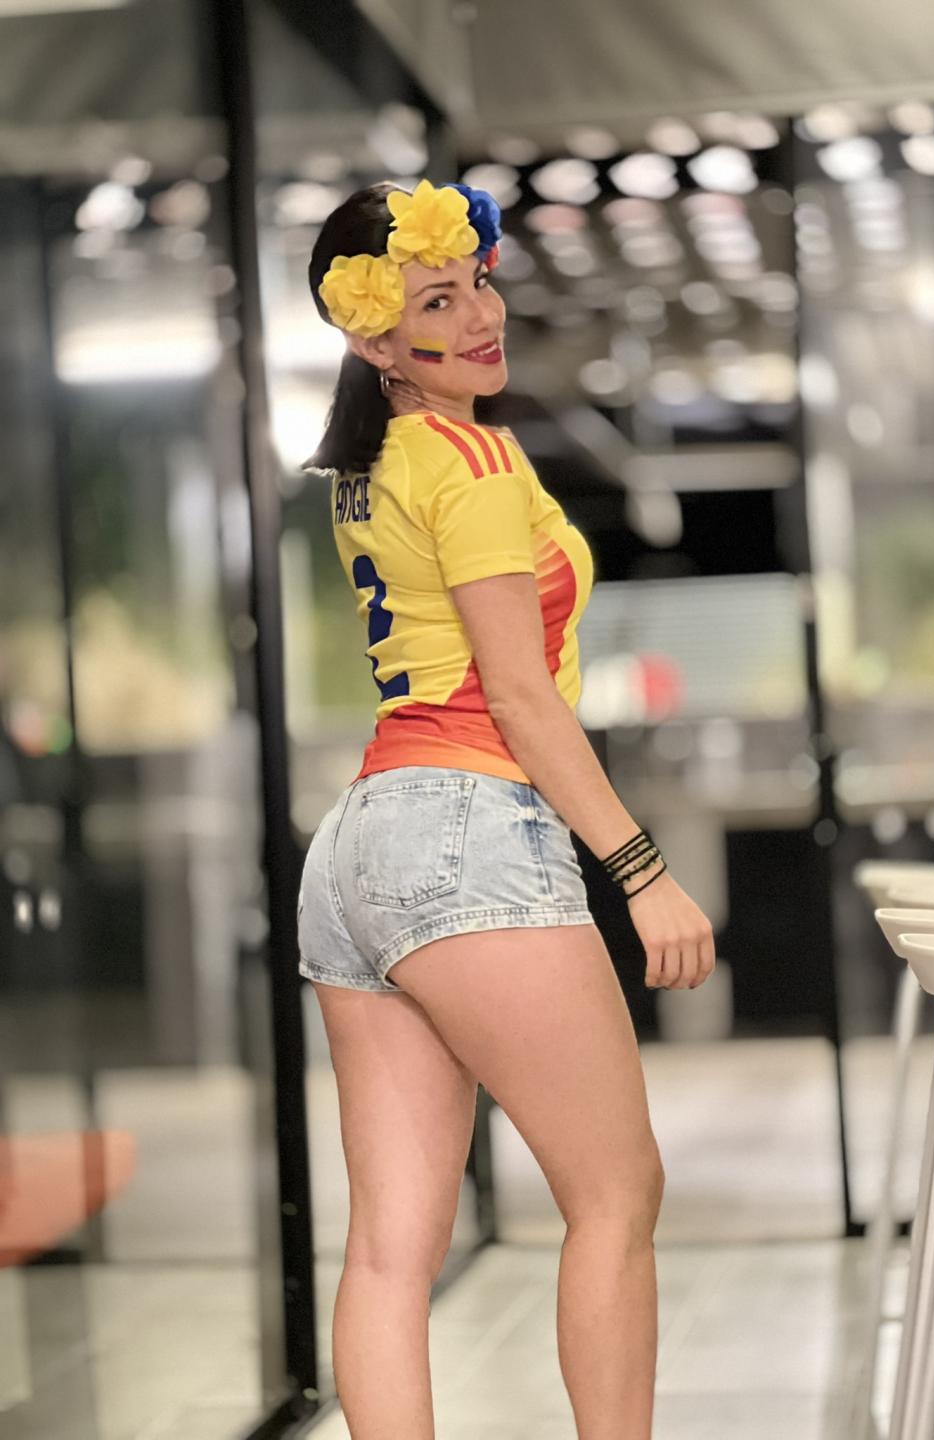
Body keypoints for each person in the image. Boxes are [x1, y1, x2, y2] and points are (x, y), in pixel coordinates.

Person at [296, 177, 716, 1440]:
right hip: (468, 829)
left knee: (387, 1253)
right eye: (436, 302)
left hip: (362, 845)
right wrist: (642, 870)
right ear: (376, 341)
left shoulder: (367, 468)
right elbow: (522, 701)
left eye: (477, 283)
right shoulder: (471, 458)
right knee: (617, 1195)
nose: (479, 317)